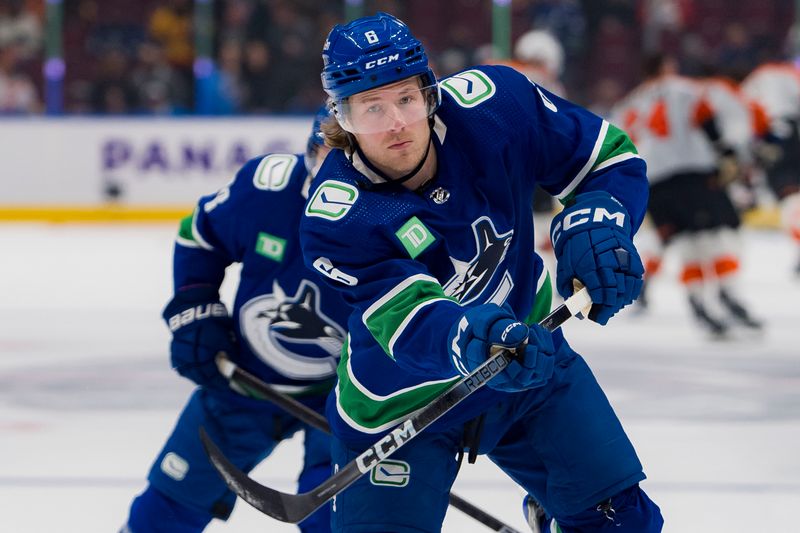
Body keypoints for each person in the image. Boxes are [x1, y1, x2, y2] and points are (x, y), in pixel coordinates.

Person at [299, 12, 663, 533]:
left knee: (619, 523)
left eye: (405, 98)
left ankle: (558, 509)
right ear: (343, 117)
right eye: (371, 108)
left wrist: (597, 225)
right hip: (402, 400)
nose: (396, 122)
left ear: (428, 92)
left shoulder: (497, 106)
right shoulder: (338, 216)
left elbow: (607, 160)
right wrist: (474, 337)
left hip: (531, 355)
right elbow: (411, 320)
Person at [121, 107, 348, 533]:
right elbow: (199, 235)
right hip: (243, 378)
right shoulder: (268, 189)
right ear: (309, 151)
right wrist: (195, 310)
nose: (333, 170)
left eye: (347, 156)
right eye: (325, 153)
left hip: (347, 395)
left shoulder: (396, 208)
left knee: (334, 521)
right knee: (163, 513)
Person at [611, 53, 763, 336]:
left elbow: (619, 143)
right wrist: (725, 152)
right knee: (716, 236)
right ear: (668, 66)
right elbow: (705, 117)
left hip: (653, 180)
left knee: (685, 244)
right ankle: (728, 294)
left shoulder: (630, 102)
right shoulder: (683, 89)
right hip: (691, 172)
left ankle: (697, 302)